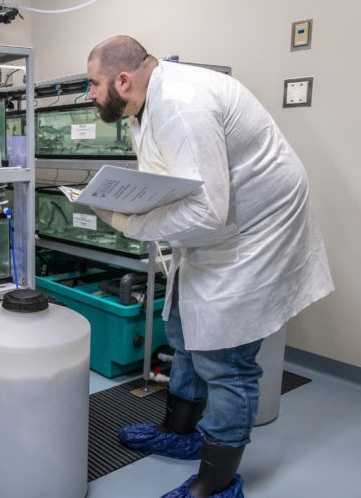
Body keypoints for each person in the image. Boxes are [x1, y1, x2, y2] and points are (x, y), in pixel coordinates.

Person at [86, 36, 333, 498]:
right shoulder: (145, 103)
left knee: (227, 360)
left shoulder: (183, 104)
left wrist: (127, 221)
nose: (91, 95)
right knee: (182, 328)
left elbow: (207, 213)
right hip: (220, 227)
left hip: (256, 233)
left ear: (123, 78)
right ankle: (180, 432)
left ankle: (216, 481)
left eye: (94, 84)